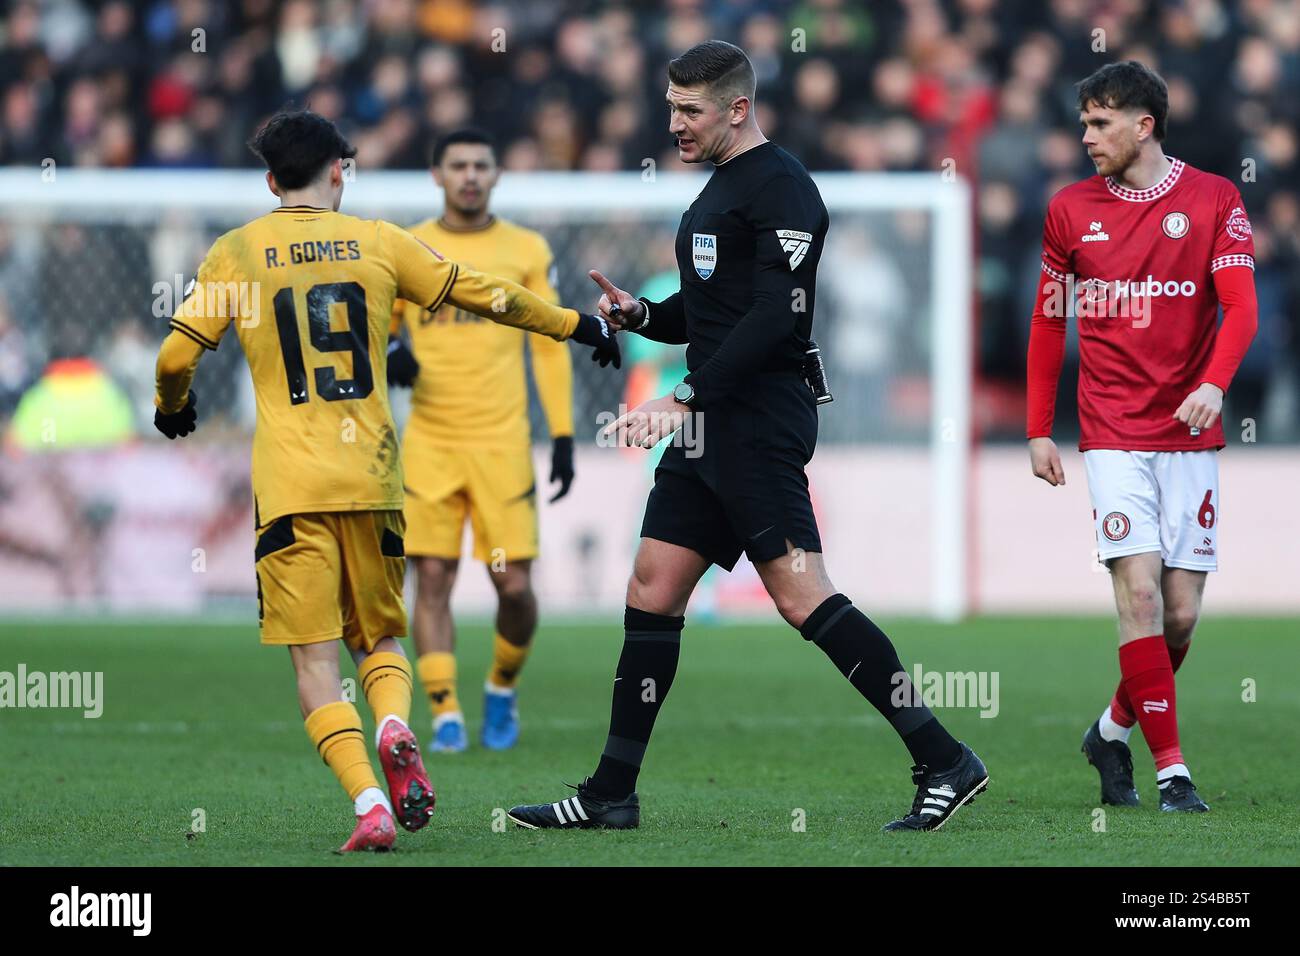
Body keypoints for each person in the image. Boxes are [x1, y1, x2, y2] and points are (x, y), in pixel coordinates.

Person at [506, 41, 988, 833]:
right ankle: (611, 794)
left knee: (804, 597)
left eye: (691, 111)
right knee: (652, 587)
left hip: (756, 418)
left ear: (738, 108)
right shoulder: (718, 190)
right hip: (711, 424)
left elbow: (775, 319)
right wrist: (644, 317)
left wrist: (684, 395)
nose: (676, 124)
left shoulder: (783, 187)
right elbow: (713, 312)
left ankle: (944, 758)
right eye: (670, 108)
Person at [152, 109, 619, 851]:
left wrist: (171, 408)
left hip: (291, 487)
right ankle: (398, 723)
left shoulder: (236, 252)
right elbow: (487, 295)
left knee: (314, 659)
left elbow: (176, 360)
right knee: (379, 639)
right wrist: (578, 326)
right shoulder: (379, 242)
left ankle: (370, 804)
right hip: (373, 475)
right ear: (340, 170)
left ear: (271, 181)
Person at [1025, 62, 1258, 812]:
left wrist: (1214, 384)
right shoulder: (1068, 211)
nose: (1086, 136)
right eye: (1084, 122)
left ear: (1143, 125)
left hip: (1190, 431)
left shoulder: (1216, 198)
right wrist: (1038, 428)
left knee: (1181, 614)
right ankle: (1173, 773)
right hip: (1113, 430)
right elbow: (1047, 321)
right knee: (1139, 597)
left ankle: (1109, 729)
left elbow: (1242, 310)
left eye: (1100, 123)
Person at [387, 128, 576, 753]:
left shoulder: (525, 248)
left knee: (515, 588)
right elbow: (379, 329)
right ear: (436, 174)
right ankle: (444, 713)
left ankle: (500, 685)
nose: (470, 175)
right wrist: (393, 352)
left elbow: (550, 345)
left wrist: (566, 433)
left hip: (502, 443)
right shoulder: (409, 248)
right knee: (432, 576)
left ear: (496, 175)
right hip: (431, 442)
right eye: (458, 165)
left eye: (481, 165)